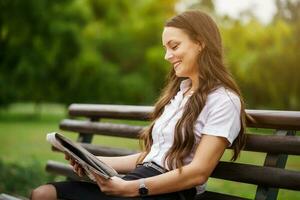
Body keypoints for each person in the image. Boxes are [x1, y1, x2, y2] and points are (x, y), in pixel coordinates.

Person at [31, 10, 249, 200]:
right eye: (165, 48)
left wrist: (130, 188)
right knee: (44, 194)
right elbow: (151, 157)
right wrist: (93, 162)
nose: (167, 56)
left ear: (201, 43)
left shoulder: (224, 101)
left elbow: (199, 172)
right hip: (139, 180)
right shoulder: (180, 95)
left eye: (174, 46)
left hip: (169, 191)